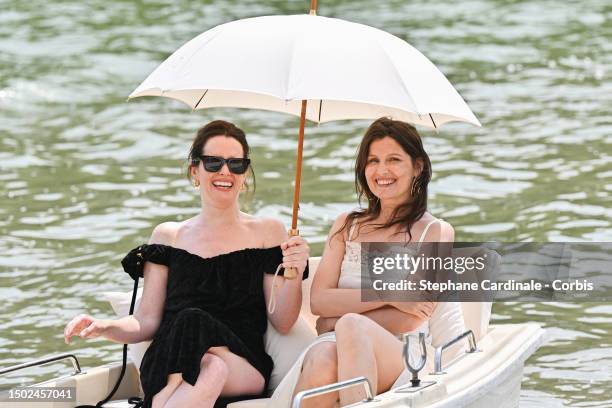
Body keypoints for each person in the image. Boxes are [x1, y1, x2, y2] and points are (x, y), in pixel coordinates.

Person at [63, 120, 310, 408]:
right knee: (211, 366)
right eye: (213, 162)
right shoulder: (168, 236)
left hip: (243, 364)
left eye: (236, 164)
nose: (225, 172)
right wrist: (104, 326)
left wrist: (294, 270)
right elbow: (146, 321)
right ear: (195, 171)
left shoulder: (268, 232)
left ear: (245, 173)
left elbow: (283, 320)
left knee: (193, 321)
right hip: (175, 364)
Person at [270, 117, 455, 407]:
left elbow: (410, 317)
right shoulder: (347, 225)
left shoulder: (436, 231)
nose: (382, 170)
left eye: (394, 159)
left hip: (402, 353)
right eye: (373, 161)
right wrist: (390, 295)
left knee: (352, 327)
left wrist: (339, 321)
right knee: (322, 360)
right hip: (333, 345)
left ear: (417, 166)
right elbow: (319, 301)